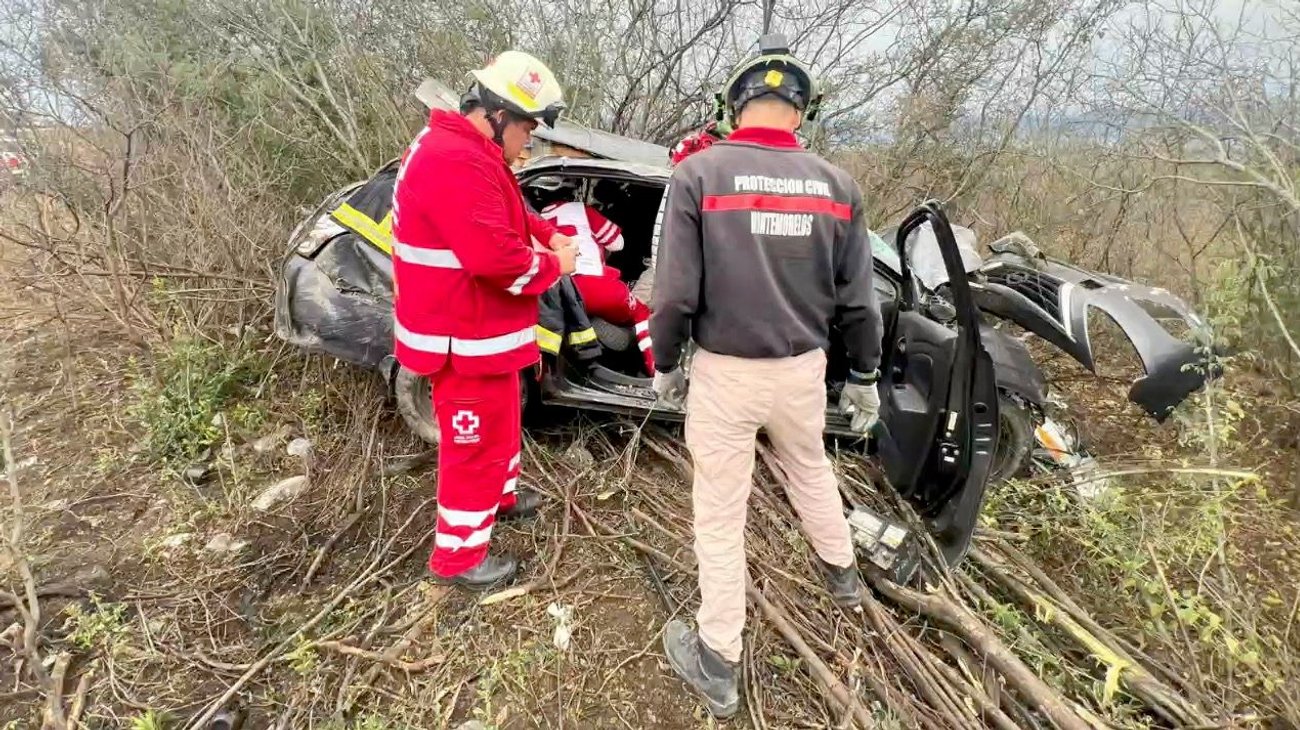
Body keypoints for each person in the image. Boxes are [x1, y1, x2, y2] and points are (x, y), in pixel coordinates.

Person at [648, 35, 884, 718]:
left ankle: (718, 657)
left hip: (726, 373)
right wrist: (864, 374)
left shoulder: (700, 175)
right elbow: (859, 302)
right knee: (809, 466)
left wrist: (665, 364)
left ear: (735, 106)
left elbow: (673, 297)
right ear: (801, 113)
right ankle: (842, 574)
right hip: (803, 371)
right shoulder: (839, 186)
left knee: (720, 513)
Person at [391, 51, 578, 589]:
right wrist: (556, 264)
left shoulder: (468, 151)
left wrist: (545, 232)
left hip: (481, 333)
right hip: (461, 336)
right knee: (472, 448)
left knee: (501, 429)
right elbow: (497, 261)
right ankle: (458, 559)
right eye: (528, 129)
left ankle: (503, 498)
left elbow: (508, 212)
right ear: (498, 115)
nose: (529, 143)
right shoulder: (455, 159)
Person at [535, 179, 656, 374]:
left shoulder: (535, 221)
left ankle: (555, 372)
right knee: (641, 312)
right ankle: (654, 369)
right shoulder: (582, 211)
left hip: (560, 292)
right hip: (597, 287)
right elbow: (618, 243)